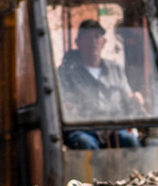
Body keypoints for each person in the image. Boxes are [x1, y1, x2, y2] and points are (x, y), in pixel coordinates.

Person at [58, 18, 144, 149]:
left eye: (97, 37)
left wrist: (134, 98)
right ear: (78, 42)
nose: (93, 42)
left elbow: (127, 96)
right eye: (87, 37)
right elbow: (63, 104)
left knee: (129, 142)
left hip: (113, 130)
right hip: (82, 130)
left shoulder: (115, 70)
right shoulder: (66, 73)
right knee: (85, 144)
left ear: (103, 42)